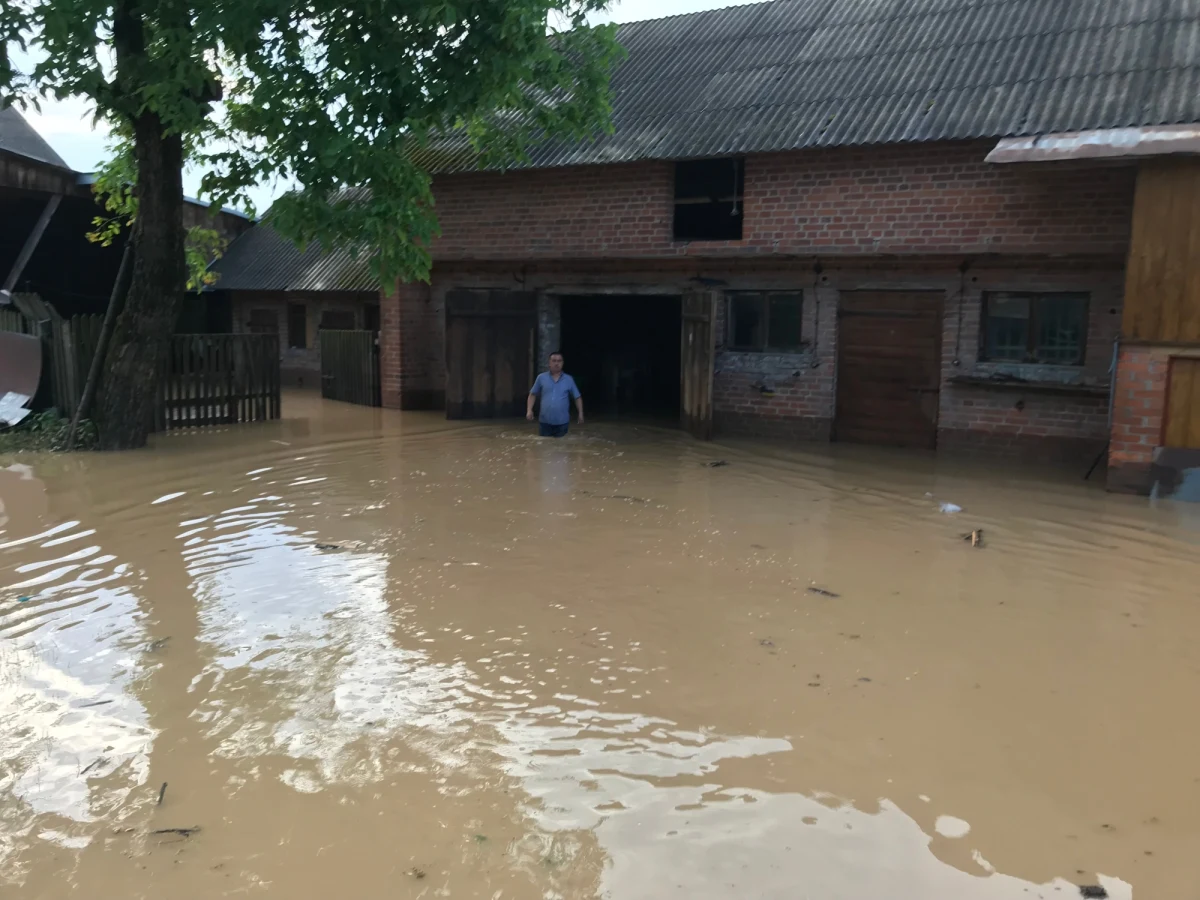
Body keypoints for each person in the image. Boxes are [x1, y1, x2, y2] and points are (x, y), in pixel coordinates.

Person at [527, 351, 583, 438]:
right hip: (544, 422)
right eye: (554, 361)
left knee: (561, 448)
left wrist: (580, 414)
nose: (556, 363)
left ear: (562, 363)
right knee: (544, 447)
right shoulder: (541, 378)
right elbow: (532, 394)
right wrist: (529, 410)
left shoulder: (569, 379)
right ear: (549, 363)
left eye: (559, 361)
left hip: (562, 423)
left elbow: (577, 397)